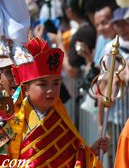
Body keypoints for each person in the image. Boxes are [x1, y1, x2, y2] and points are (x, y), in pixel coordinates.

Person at [10, 38, 109, 168]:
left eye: (56, 83)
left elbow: (72, 157)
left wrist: (91, 152)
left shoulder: (62, 119)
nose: (51, 90)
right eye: (42, 84)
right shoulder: (11, 120)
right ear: (25, 89)